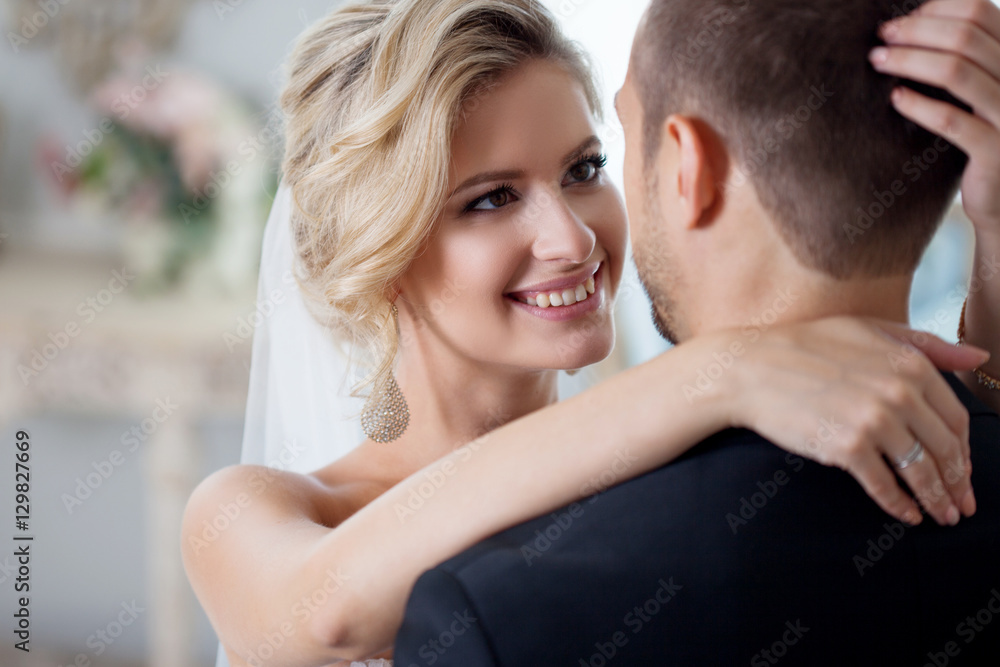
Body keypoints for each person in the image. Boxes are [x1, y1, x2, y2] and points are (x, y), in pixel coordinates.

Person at [181, 1, 1000, 665]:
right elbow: (321, 616)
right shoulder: (254, 508)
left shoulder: (670, 463)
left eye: (584, 169)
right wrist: (722, 365)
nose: (574, 239)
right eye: (492, 198)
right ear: (379, 252)